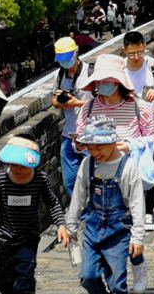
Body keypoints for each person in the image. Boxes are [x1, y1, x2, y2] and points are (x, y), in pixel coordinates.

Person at [75, 55, 154, 293]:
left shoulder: (137, 106)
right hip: (98, 174)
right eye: (99, 81)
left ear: (119, 82)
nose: (102, 85)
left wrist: (129, 145)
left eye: (107, 80)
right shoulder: (88, 106)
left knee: (131, 222)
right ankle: (106, 270)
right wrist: (80, 145)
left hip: (127, 171)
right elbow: (79, 138)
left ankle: (138, 264)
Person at [0, 136, 69, 294]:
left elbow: (52, 203)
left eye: (23, 166)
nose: (19, 170)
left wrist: (61, 225)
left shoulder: (40, 179)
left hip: (28, 238)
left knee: (25, 278)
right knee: (4, 279)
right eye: (14, 165)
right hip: (5, 239)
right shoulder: (0, 180)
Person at [67, 117, 146, 294]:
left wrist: (137, 237)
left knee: (117, 283)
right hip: (92, 228)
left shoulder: (128, 166)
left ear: (113, 142)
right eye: (90, 148)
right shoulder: (87, 164)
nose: (95, 152)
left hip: (118, 231)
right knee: (88, 277)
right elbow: (78, 197)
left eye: (99, 147)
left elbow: (137, 204)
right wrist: (71, 228)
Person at [122, 31, 154, 233]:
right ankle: (130, 210)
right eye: (131, 54)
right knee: (125, 170)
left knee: (148, 168)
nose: (136, 57)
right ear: (124, 50)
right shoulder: (119, 69)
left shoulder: (153, 67)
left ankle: (147, 211)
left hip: (150, 128)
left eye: (139, 52)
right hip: (125, 127)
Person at [51, 36, 89, 198]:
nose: (65, 63)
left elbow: (103, 103)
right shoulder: (59, 75)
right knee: (69, 181)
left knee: (95, 179)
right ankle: (79, 213)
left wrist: (77, 103)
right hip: (69, 134)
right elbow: (53, 100)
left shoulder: (90, 72)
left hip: (90, 134)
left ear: (76, 52)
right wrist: (61, 102)